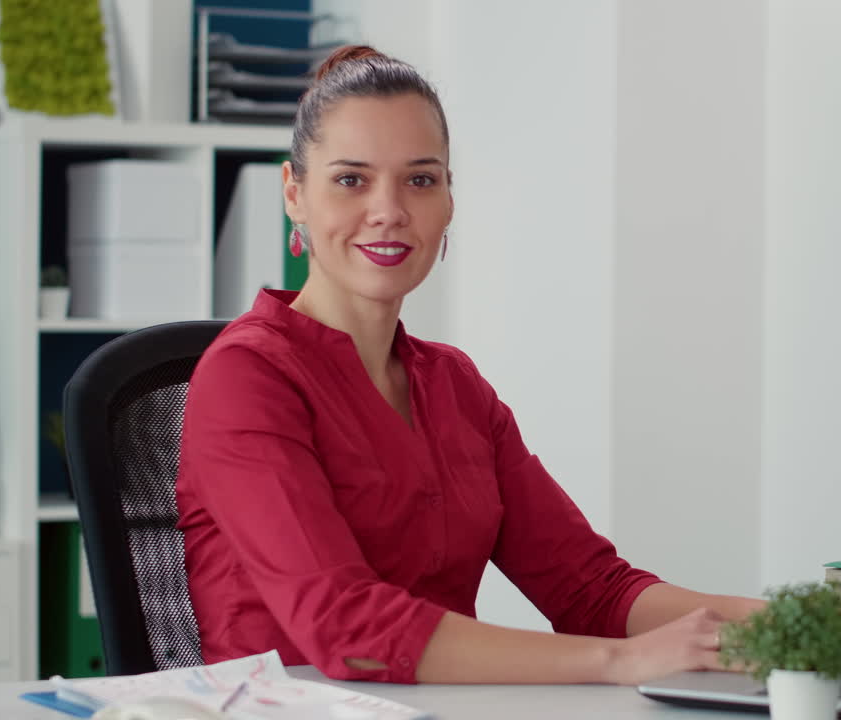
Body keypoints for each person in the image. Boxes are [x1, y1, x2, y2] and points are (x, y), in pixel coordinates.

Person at [175, 45, 764, 686]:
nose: (389, 210)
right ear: (294, 193)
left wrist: (786, 624)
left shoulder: (454, 386)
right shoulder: (246, 377)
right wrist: (622, 661)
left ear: (449, 199)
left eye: (420, 180)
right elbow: (349, 630)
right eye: (351, 180)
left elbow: (590, 588)